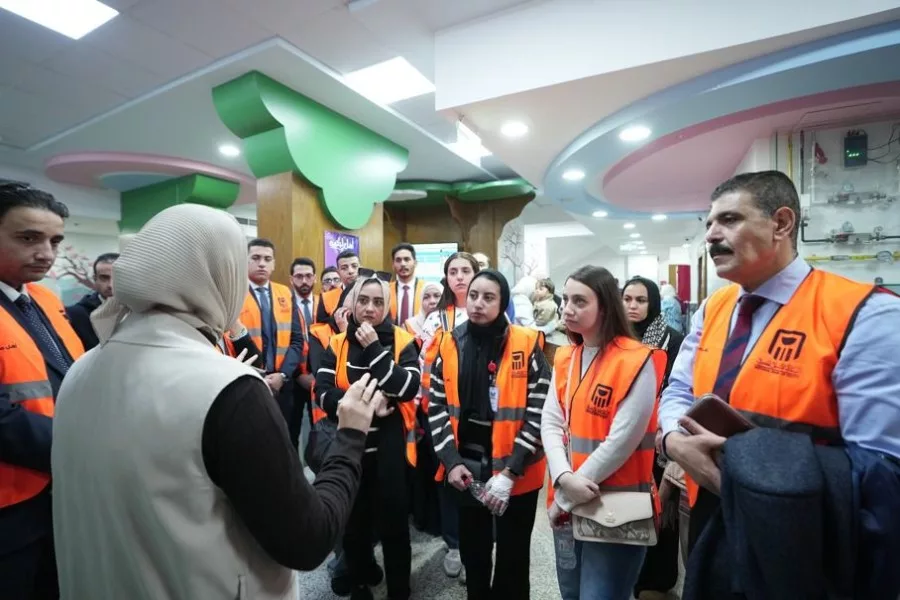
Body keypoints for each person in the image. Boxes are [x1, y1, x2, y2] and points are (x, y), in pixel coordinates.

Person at [50, 203, 381, 599]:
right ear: (220, 275)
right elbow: (309, 539)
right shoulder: (228, 389)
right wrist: (350, 434)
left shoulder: (81, 370)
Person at [658, 171, 900, 556]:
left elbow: (880, 470)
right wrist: (673, 440)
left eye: (730, 219)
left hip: (804, 532)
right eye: (709, 224)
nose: (711, 235)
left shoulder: (866, 314)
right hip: (713, 517)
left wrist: (750, 466)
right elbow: (678, 390)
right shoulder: (713, 308)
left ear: (781, 224)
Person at [542, 265, 666, 600]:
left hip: (614, 509)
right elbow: (550, 422)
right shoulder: (566, 357)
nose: (567, 308)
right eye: (566, 299)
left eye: (580, 301)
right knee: (571, 593)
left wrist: (566, 495)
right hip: (568, 502)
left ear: (606, 308)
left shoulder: (637, 360)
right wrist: (563, 477)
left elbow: (622, 441)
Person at [428, 270, 550, 599]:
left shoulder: (527, 343)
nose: (478, 303)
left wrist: (510, 472)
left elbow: (540, 411)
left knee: (513, 558)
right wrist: (451, 462)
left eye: (488, 297)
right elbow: (436, 406)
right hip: (467, 468)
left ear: (503, 302)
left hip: (518, 470)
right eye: (473, 295)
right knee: (474, 554)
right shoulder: (449, 343)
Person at [0, 180, 84, 599]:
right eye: (28, 238)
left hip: (59, 490)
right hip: (10, 505)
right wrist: (85, 445)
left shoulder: (45, 300)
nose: (47, 253)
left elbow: (69, 374)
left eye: (55, 241)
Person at [315, 277, 421, 600]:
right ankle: (360, 583)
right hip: (350, 447)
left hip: (389, 449)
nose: (370, 308)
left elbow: (407, 388)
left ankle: (399, 590)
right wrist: (365, 403)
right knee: (354, 524)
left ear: (386, 306)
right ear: (352, 303)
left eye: (378, 302)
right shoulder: (336, 343)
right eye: (363, 300)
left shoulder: (403, 340)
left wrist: (374, 348)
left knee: (394, 525)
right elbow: (323, 393)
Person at [622, 276, 685, 600]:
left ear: (654, 304)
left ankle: (657, 579)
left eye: (640, 300)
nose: (632, 306)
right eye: (627, 299)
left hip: (658, 439)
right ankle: (629, 574)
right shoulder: (616, 338)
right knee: (628, 509)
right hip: (624, 440)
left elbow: (677, 389)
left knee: (660, 508)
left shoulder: (671, 339)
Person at [241, 238, 306, 444]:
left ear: (274, 264)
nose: (262, 263)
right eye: (256, 258)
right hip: (248, 381)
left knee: (286, 439)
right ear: (245, 260)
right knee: (254, 441)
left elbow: (296, 340)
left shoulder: (285, 293)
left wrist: (283, 375)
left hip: (282, 384)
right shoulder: (235, 292)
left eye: (267, 259)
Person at [65, 252, 118, 350]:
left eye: (118, 278)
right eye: (104, 278)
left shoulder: (139, 312)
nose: (111, 285)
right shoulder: (75, 315)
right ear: (95, 279)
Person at [318, 249, 360, 322]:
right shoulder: (326, 298)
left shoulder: (373, 292)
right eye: (344, 268)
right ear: (338, 272)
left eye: (354, 266)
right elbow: (322, 325)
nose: (350, 271)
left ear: (361, 268)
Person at [389, 243, 425, 325]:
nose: (403, 264)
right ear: (393, 265)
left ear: (415, 263)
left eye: (407, 259)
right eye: (398, 260)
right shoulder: (386, 290)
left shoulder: (425, 289)